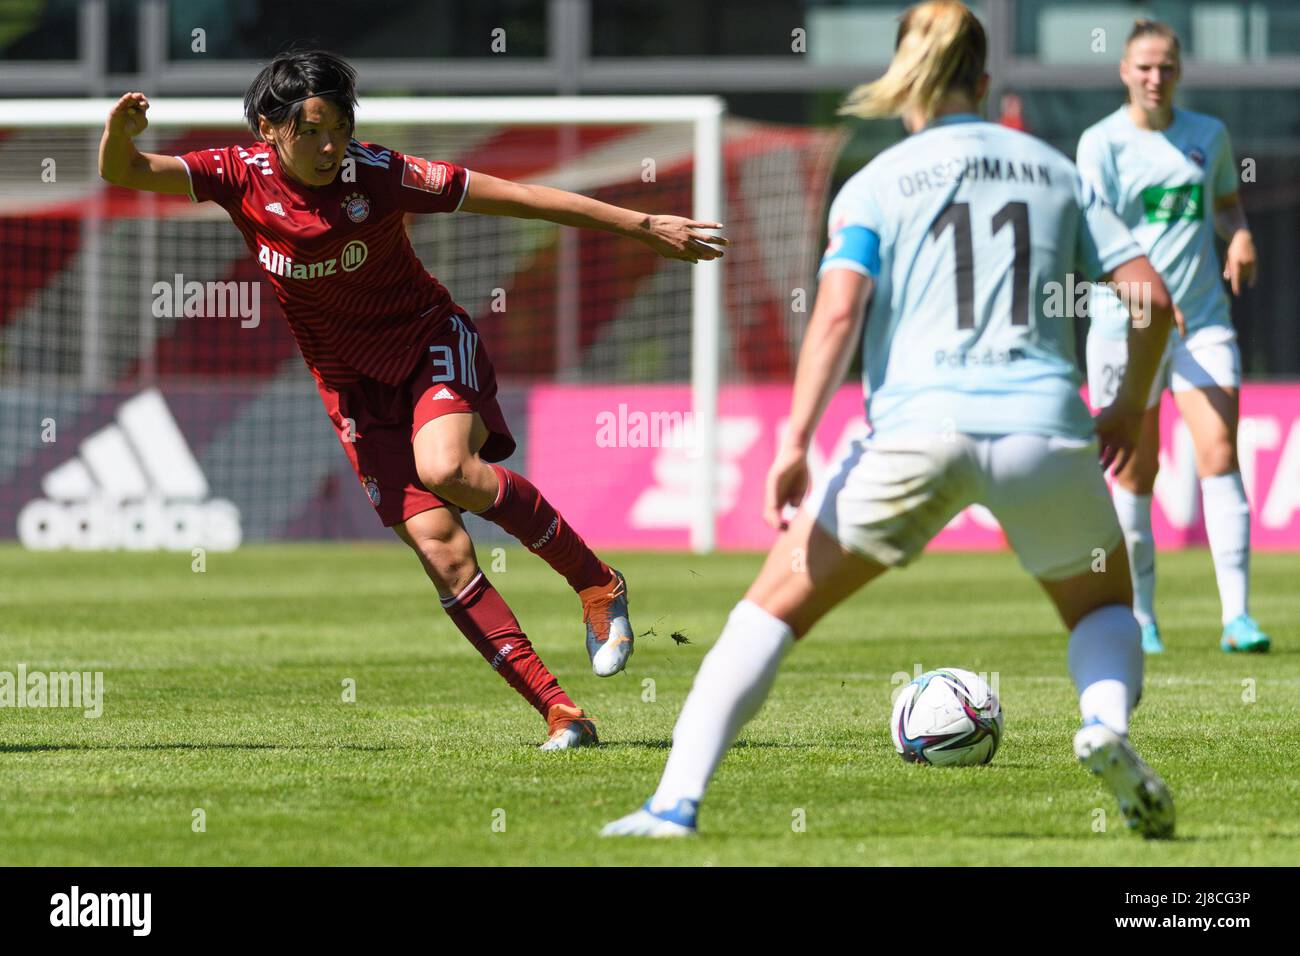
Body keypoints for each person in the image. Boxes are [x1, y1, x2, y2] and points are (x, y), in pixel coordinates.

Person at [603, 0, 1177, 838]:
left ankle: (674, 805)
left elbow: (836, 316)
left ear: (907, 85)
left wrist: (794, 442)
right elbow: (1150, 297)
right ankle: (1105, 729)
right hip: (1043, 431)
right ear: (986, 83)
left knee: (767, 612)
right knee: (1101, 610)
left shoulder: (874, 182)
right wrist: (1128, 408)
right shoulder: (1056, 170)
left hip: (915, 434)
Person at [98, 50, 727, 749]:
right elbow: (127, 172)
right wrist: (120, 134)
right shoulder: (237, 174)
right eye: (310, 130)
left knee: (448, 469)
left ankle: (597, 584)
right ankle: (561, 713)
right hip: (350, 390)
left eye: (338, 126)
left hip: (429, 347)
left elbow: (520, 198)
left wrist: (643, 227)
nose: (329, 145)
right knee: (443, 550)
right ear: (269, 129)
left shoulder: (379, 173)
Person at [1080, 19, 1267, 654]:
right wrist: (1151, 301)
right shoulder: (1100, 144)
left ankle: (1237, 618)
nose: (1155, 77)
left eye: (1165, 66)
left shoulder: (1208, 135)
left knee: (1219, 452)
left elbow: (1224, 202)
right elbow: (1094, 240)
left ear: (1178, 71)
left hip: (1204, 322)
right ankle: (1140, 616)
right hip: (1122, 326)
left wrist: (1238, 233)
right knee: (1136, 470)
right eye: (1143, 67)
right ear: (1124, 71)